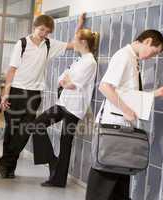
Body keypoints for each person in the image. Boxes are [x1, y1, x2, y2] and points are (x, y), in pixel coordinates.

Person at [0, 14, 85, 179]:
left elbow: (73, 45)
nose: (44, 33)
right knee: (12, 131)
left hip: (34, 94)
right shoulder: (21, 44)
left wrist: (79, 24)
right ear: (35, 27)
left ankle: (5, 163)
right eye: (41, 29)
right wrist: (4, 95)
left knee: (25, 130)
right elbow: (11, 70)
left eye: (47, 31)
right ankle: (8, 168)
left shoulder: (49, 45)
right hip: (15, 92)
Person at [85, 29, 163, 200]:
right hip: (113, 126)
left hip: (121, 127)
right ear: (148, 41)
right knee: (105, 177)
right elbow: (105, 87)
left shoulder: (133, 59)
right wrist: (126, 110)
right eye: (154, 52)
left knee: (119, 177)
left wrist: (154, 94)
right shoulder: (124, 56)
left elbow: (128, 95)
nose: (152, 57)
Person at [28, 28, 99, 188]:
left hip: (74, 108)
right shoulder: (79, 60)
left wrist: (67, 80)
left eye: (75, 39)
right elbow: (62, 79)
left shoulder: (90, 62)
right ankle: (52, 161)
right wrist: (66, 80)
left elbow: (71, 83)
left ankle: (59, 179)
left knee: (65, 142)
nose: (72, 42)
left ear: (83, 42)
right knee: (37, 124)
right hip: (63, 103)